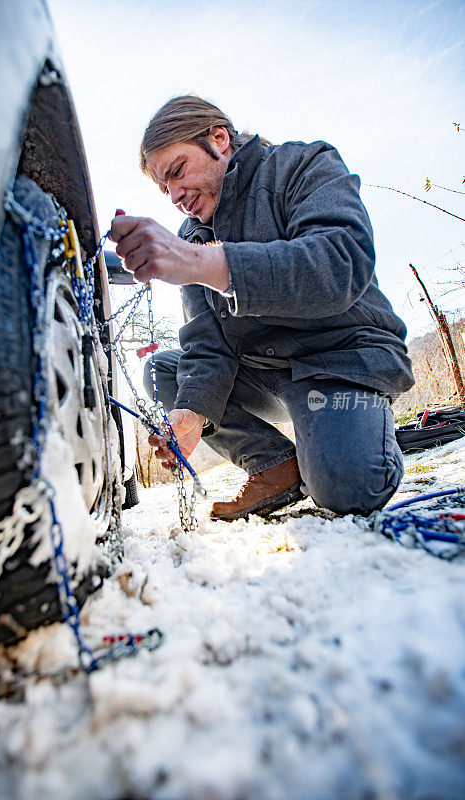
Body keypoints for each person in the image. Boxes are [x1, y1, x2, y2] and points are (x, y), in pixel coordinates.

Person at [110, 95, 414, 520]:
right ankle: (272, 463)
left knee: (348, 490)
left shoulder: (303, 165)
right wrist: (193, 413)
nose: (175, 195)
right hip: (264, 373)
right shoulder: (192, 233)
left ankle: (359, 431)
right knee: (164, 372)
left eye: (177, 171)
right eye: (164, 188)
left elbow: (338, 264)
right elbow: (207, 344)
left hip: (342, 359)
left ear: (218, 139)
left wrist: (204, 264)